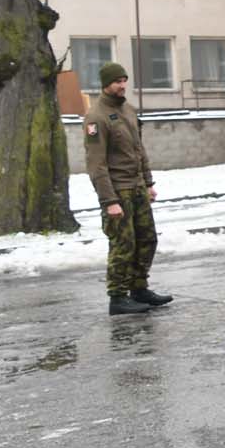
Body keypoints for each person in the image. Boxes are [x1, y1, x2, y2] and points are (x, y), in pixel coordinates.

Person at [84, 62, 171, 315]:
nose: (122, 85)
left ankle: (139, 288)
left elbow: (138, 150)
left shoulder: (129, 111)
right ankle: (118, 297)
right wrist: (108, 201)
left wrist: (148, 183)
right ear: (105, 84)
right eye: (117, 81)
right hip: (118, 191)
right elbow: (96, 165)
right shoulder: (96, 117)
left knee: (147, 239)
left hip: (136, 188)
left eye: (124, 80)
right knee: (123, 244)